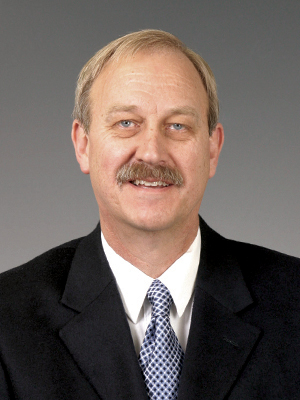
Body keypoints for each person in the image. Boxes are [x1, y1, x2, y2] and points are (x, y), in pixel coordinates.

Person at [0, 29, 300, 400]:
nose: (152, 153)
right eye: (126, 123)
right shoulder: (7, 320)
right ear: (83, 144)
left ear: (212, 150)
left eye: (178, 126)